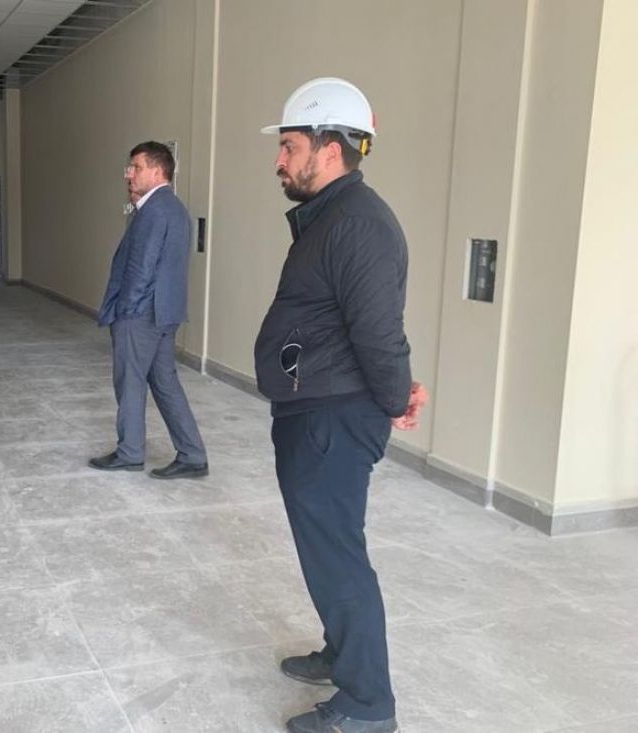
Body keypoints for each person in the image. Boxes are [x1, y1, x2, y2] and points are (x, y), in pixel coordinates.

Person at [253, 78, 429, 733]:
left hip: (333, 417)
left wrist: (395, 396)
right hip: (316, 409)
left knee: (337, 555)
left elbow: (378, 331)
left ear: (330, 149)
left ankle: (368, 703)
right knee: (326, 548)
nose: (279, 160)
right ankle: (341, 651)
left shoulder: (357, 224)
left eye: (290, 146)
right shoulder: (331, 218)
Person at [90, 141, 208, 479]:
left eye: (137, 167)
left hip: (141, 314)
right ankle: (192, 454)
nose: (129, 174)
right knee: (165, 383)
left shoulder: (154, 210)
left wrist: (125, 311)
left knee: (129, 382)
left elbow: (141, 267)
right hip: (164, 313)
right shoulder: (174, 207)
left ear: (157, 171)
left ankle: (130, 452)